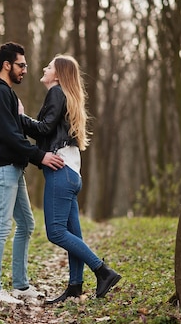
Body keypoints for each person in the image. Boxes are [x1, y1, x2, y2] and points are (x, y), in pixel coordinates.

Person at [20, 54, 121, 303]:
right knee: (73, 233)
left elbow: (44, 128)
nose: (44, 68)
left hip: (60, 172)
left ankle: (102, 271)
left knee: (55, 232)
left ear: (58, 74)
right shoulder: (67, 96)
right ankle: (75, 287)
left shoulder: (56, 92)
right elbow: (51, 129)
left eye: (49, 66)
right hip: (73, 173)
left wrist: (20, 117)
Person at [0, 42, 65, 304]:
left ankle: (20, 286)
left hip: (15, 168)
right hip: (3, 168)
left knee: (26, 225)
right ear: (7, 65)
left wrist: (22, 118)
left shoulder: (8, 95)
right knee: (2, 226)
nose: (25, 70)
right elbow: (9, 136)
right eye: (21, 65)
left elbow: (17, 130)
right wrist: (40, 156)